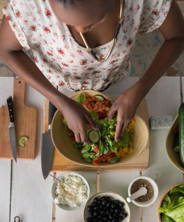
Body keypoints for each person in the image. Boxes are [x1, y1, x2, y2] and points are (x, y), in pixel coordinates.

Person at [0, 0, 184, 142]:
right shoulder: (30, 5)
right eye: (68, 24)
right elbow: (5, 50)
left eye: (93, 22)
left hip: (118, 77)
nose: (80, 31)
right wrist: (60, 102)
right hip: (56, 85)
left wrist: (139, 90)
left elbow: (177, 37)